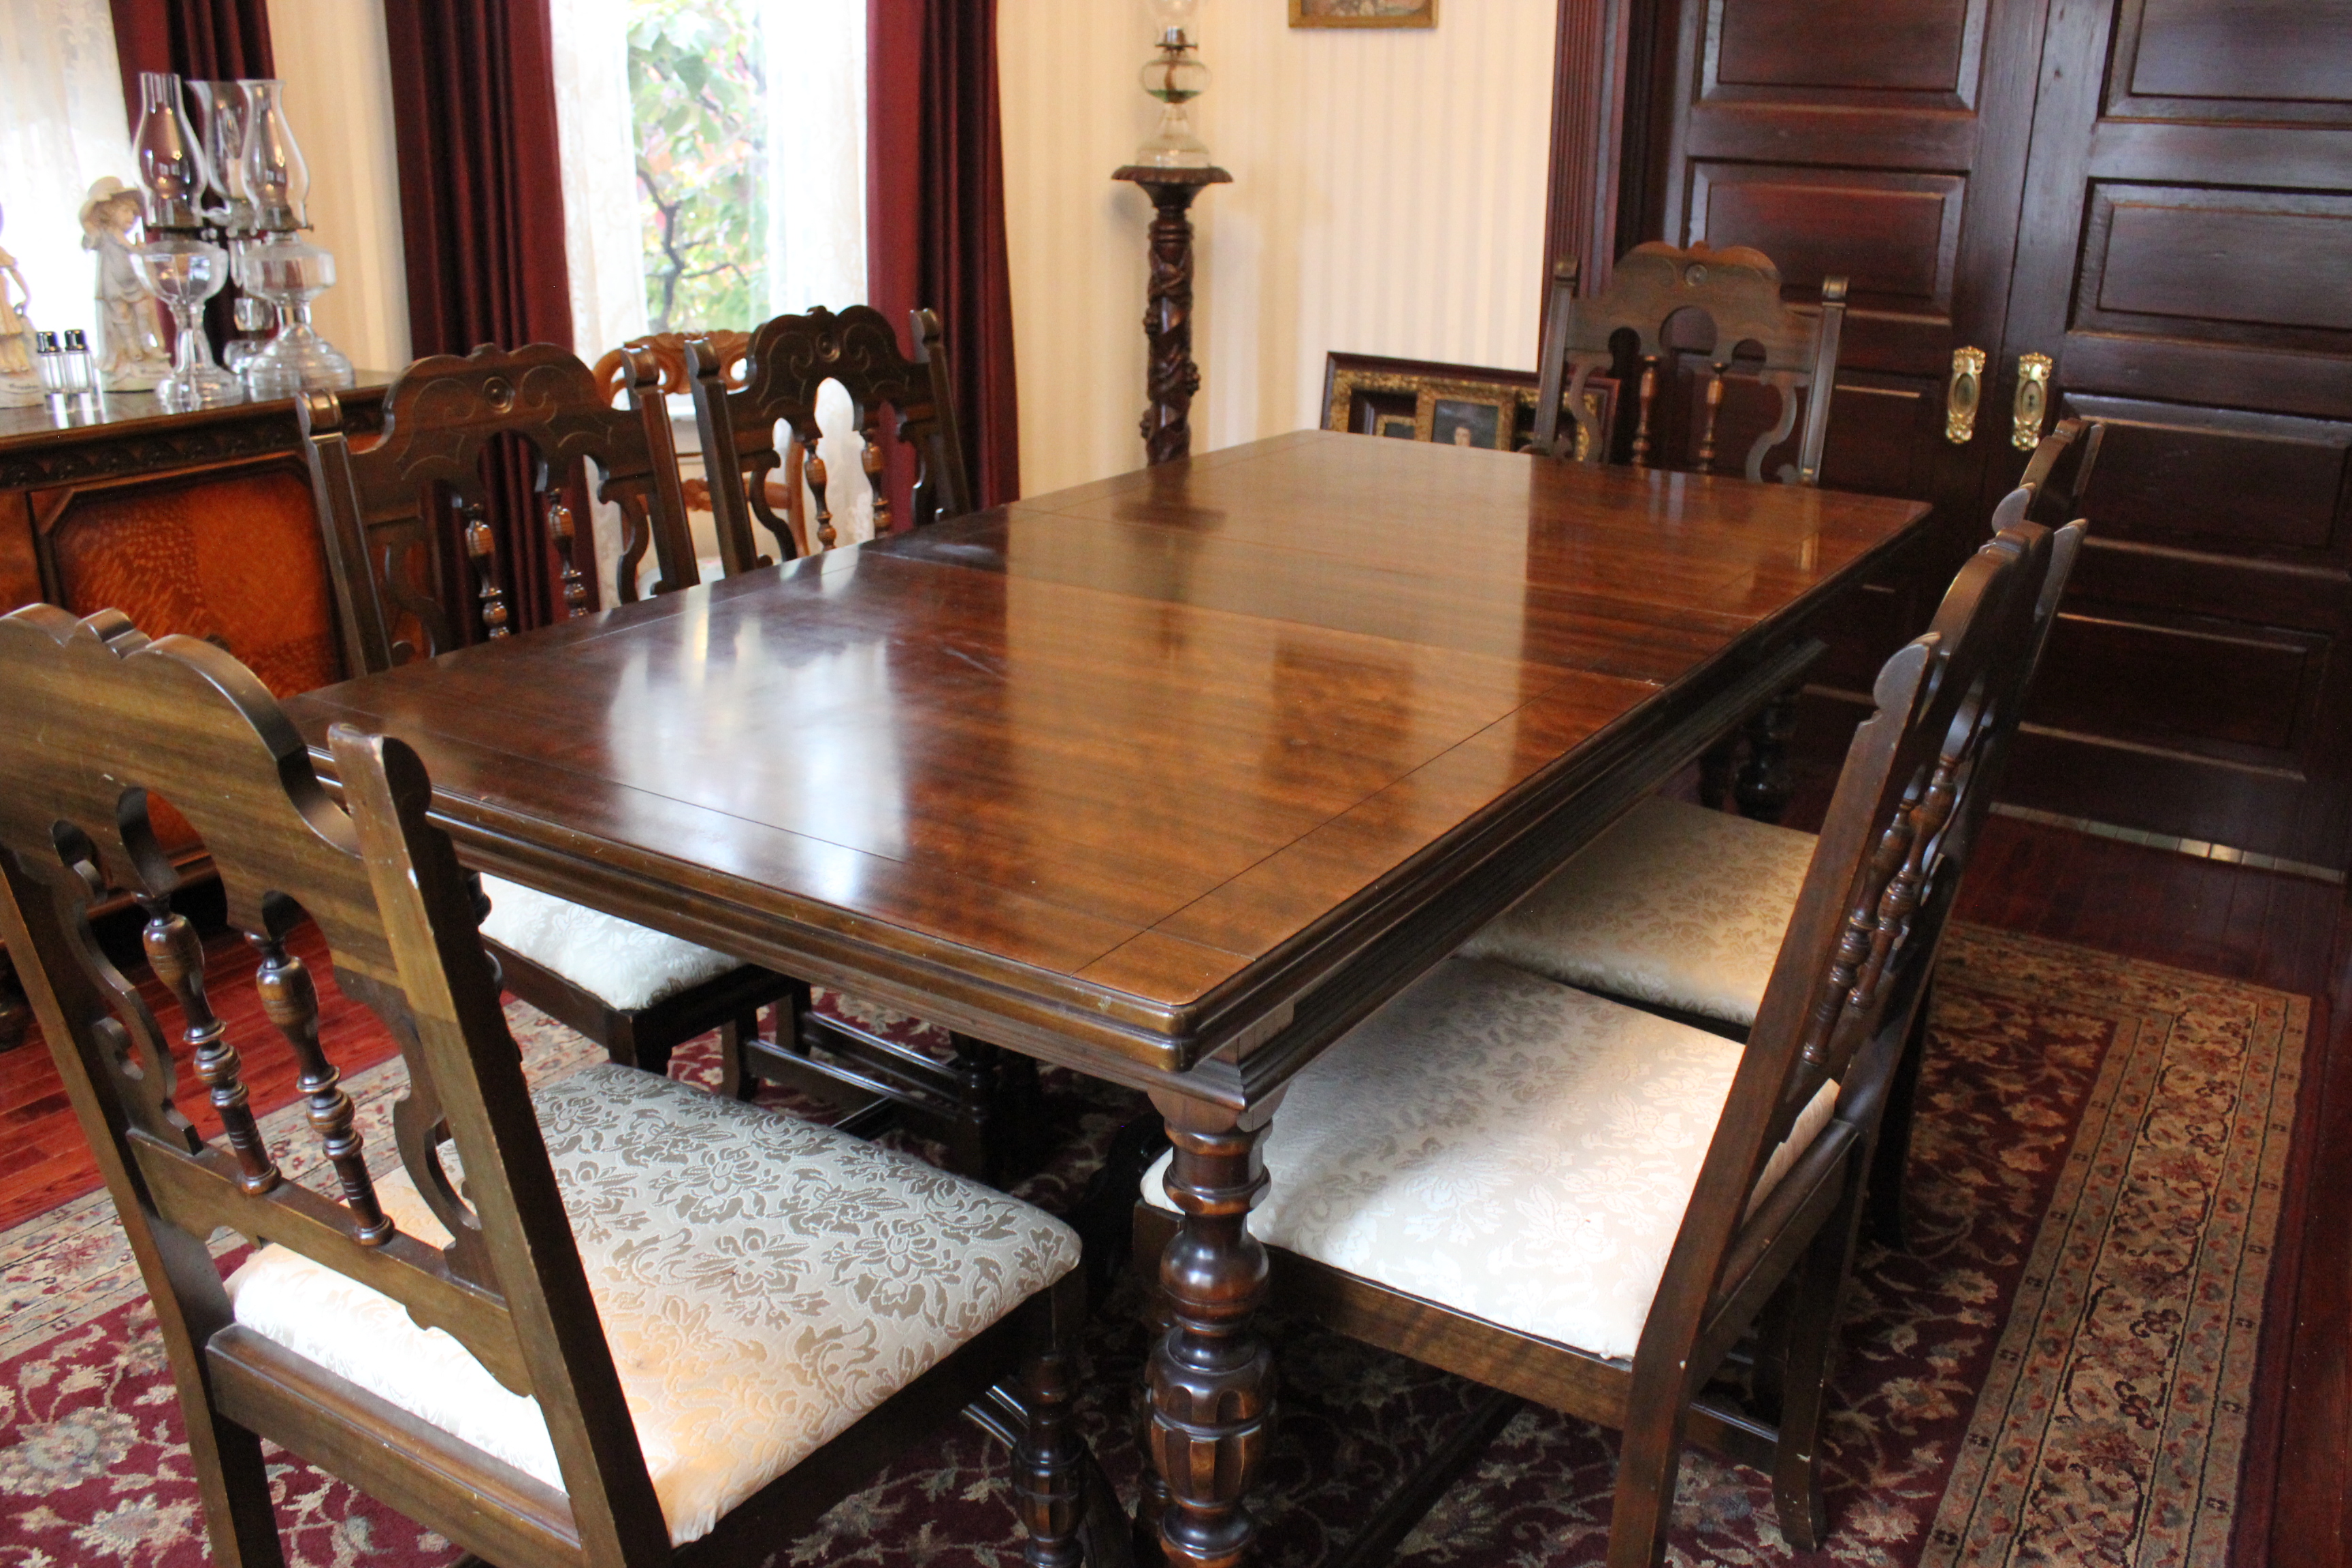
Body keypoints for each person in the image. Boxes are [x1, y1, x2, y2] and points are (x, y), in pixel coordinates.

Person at [80, 177, 168, 389]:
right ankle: (132, 350)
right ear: (109, 212)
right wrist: (93, 202)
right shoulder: (103, 235)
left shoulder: (130, 239)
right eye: (125, 212)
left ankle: (146, 345)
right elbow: (85, 221)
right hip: (113, 286)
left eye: (133, 213)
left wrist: (141, 250)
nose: (131, 217)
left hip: (134, 284)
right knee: (122, 315)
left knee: (144, 311)